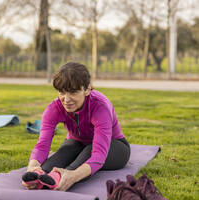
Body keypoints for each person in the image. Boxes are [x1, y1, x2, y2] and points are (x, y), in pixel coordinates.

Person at [22, 62, 130, 191]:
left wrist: (73, 176)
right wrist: (32, 169)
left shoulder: (100, 107)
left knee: (87, 153)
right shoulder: (54, 108)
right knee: (60, 154)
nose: (66, 99)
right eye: (62, 92)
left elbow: (99, 154)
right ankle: (40, 177)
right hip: (77, 142)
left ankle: (58, 177)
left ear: (87, 89)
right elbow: (42, 145)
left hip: (115, 146)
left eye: (73, 92)